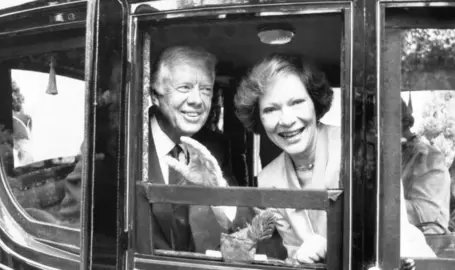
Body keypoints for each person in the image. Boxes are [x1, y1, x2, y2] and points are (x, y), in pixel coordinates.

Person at [234, 54, 339, 264]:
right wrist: (302, 257)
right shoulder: (267, 180)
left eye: (297, 102)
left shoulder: (356, 151)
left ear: (315, 103)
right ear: (259, 118)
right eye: (271, 109)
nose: (287, 120)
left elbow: (393, 234)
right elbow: (294, 253)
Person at [135, 46, 238, 254]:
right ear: (155, 95)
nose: (197, 100)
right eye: (184, 87)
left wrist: (219, 194)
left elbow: (242, 229)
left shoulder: (215, 147)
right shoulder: (122, 142)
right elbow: (75, 229)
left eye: (206, 90)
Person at [401, 99, 451, 233]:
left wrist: (372, 201)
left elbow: (424, 215)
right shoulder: (391, 155)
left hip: (423, 247)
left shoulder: (428, 158)